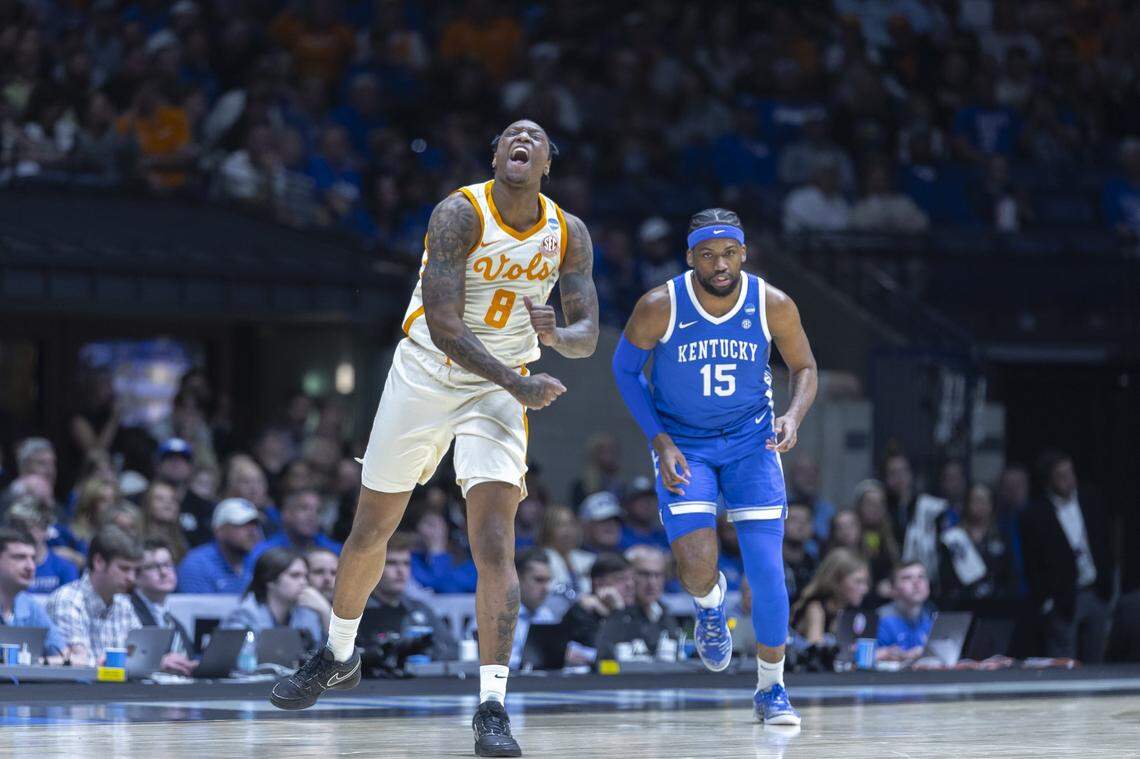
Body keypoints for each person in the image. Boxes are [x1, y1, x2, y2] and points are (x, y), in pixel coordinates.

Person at [271, 118, 599, 759]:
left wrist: (556, 335)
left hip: (500, 388)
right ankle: (338, 654)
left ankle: (493, 707)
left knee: (495, 542)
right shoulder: (459, 212)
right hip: (427, 371)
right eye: (509, 135)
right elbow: (446, 326)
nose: (520, 141)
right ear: (497, 154)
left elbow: (587, 332)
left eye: (532, 138)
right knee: (373, 525)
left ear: (546, 164)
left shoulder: (570, 233)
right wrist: (518, 378)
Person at [612, 207, 818, 726]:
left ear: (744, 253)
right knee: (696, 566)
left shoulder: (774, 304)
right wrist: (659, 442)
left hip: (752, 444)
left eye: (729, 253)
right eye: (708, 254)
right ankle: (709, 606)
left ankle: (772, 690)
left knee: (769, 571)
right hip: (685, 445)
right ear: (690, 258)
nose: (719, 264)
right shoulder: (660, 305)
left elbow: (805, 367)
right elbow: (625, 370)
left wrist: (793, 416)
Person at [1020, 451, 1112, 662]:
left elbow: (1105, 541)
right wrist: (1047, 600)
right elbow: (1033, 562)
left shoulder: (1091, 500)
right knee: (1063, 658)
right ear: (1049, 480)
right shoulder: (1036, 514)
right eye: (1061, 475)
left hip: (1096, 591)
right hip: (1063, 597)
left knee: (1095, 656)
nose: (1068, 480)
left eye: (1070, 473)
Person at [45, 526, 142, 666]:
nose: (131, 578)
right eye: (124, 568)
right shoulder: (67, 600)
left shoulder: (123, 603)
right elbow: (76, 664)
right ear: (99, 562)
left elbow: (138, 656)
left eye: (135, 570)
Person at [361, 533, 457, 661]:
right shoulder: (358, 613)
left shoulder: (420, 609)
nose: (401, 571)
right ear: (374, 568)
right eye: (391, 563)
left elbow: (453, 650)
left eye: (406, 563)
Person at [222, 547, 326, 652]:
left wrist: (325, 610)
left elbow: (322, 658)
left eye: (305, 576)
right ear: (270, 580)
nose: (303, 582)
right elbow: (242, 662)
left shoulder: (306, 613)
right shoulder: (245, 614)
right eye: (295, 575)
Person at [595, 546, 682, 660]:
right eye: (644, 574)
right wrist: (618, 613)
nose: (652, 582)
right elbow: (601, 655)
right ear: (627, 575)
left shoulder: (662, 612)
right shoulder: (606, 607)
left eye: (658, 575)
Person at [938, 483, 1016, 603]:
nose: (980, 505)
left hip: (996, 605)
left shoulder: (1001, 537)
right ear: (967, 503)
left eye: (984, 500)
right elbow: (946, 578)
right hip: (961, 604)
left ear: (991, 505)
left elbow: (1009, 574)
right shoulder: (953, 538)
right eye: (975, 500)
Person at [0, 528, 70, 659]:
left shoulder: (29, 604)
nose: (31, 566)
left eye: (33, 558)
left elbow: (66, 656)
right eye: (19, 557)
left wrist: (33, 661)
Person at [129, 540, 197, 667]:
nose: (164, 572)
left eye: (168, 565)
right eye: (153, 567)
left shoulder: (175, 623)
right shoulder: (127, 613)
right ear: (135, 576)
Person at [178, 498, 265, 594]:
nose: (253, 532)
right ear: (219, 530)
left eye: (255, 524)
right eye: (242, 525)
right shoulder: (197, 565)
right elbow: (197, 608)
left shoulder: (259, 560)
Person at [560, 553, 635, 664]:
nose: (630, 584)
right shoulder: (581, 613)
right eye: (621, 579)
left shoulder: (631, 611)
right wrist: (618, 612)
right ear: (599, 584)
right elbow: (604, 653)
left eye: (631, 578)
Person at [790, 548, 870, 645]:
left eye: (865, 582)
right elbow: (816, 651)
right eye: (858, 582)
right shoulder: (815, 608)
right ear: (836, 581)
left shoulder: (847, 611)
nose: (865, 590)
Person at [247, 488, 342, 569]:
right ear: (286, 514)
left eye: (318, 511)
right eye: (304, 508)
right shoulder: (264, 553)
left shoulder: (336, 552)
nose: (312, 516)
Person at [3, 498, 78, 594]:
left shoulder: (64, 568)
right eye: (16, 527)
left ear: (45, 530)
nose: (20, 533)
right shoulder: (6, 567)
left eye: (27, 527)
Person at [505, 548, 559, 668]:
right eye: (539, 580)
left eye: (548, 581)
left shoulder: (545, 614)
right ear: (517, 579)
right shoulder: (495, 614)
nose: (546, 588)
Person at [876, 561, 935, 662]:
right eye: (907, 578)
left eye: (921, 577)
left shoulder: (932, 617)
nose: (916, 583)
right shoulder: (880, 619)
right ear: (893, 588)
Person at [537, 505, 593, 596]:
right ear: (547, 530)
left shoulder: (589, 559)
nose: (567, 531)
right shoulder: (540, 560)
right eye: (560, 525)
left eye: (571, 524)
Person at [140, 480, 190, 564]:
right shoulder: (137, 540)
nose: (168, 503)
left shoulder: (183, 543)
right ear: (147, 504)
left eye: (173, 499)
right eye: (160, 499)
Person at [783, 503, 818, 605]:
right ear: (782, 523)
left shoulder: (816, 565)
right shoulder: (770, 563)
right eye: (794, 520)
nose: (801, 525)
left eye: (806, 520)